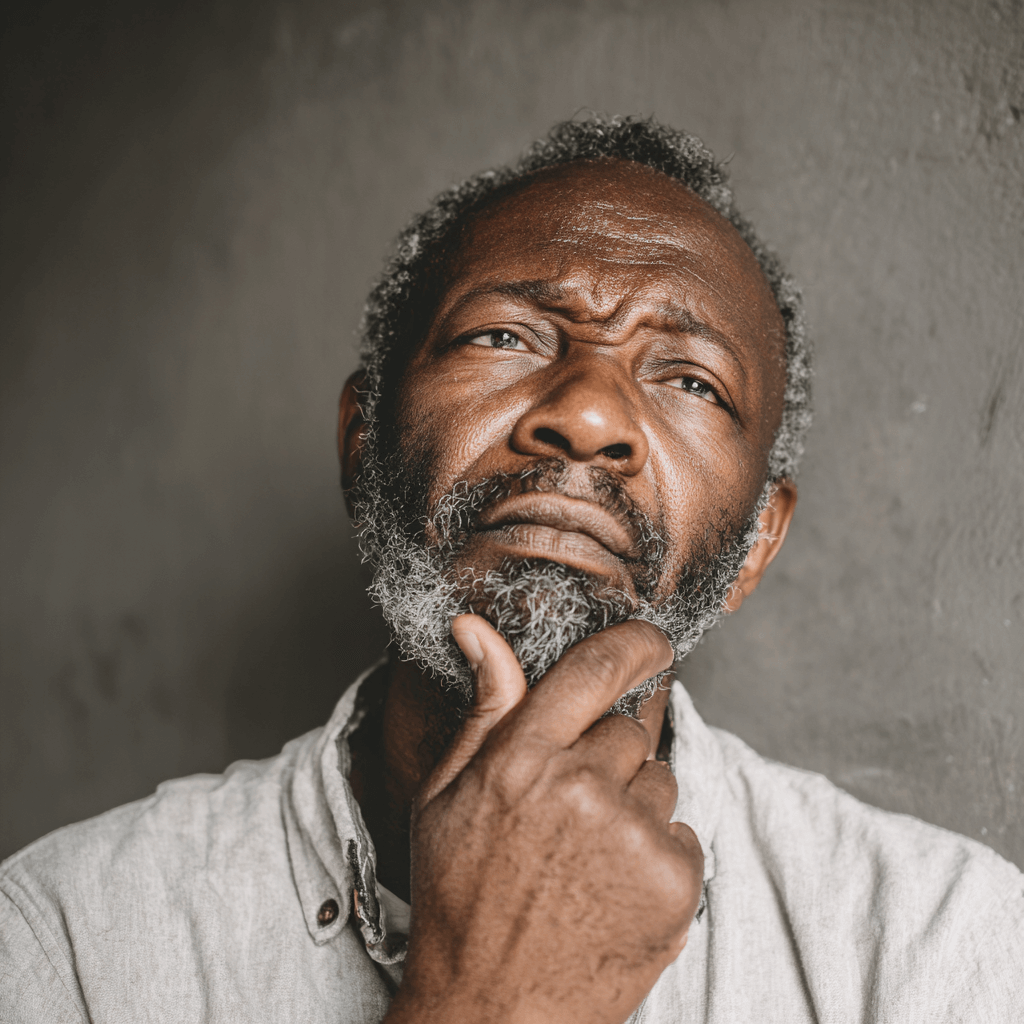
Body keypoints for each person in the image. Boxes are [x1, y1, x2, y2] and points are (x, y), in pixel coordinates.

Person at [1, 116, 1020, 1023]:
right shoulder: (64, 941)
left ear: (755, 542)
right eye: (503, 335)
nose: (584, 414)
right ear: (364, 444)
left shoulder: (945, 947)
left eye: (690, 379)